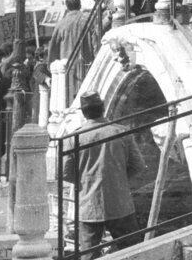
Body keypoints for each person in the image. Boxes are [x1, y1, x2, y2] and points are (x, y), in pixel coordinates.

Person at [62, 91, 148, 254]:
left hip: (89, 205)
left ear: (84, 113)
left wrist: (86, 181)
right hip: (120, 202)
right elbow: (138, 165)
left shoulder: (74, 138)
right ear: (103, 108)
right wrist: (119, 179)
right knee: (130, 252)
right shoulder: (121, 132)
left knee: (89, 254)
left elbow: (64, 173)